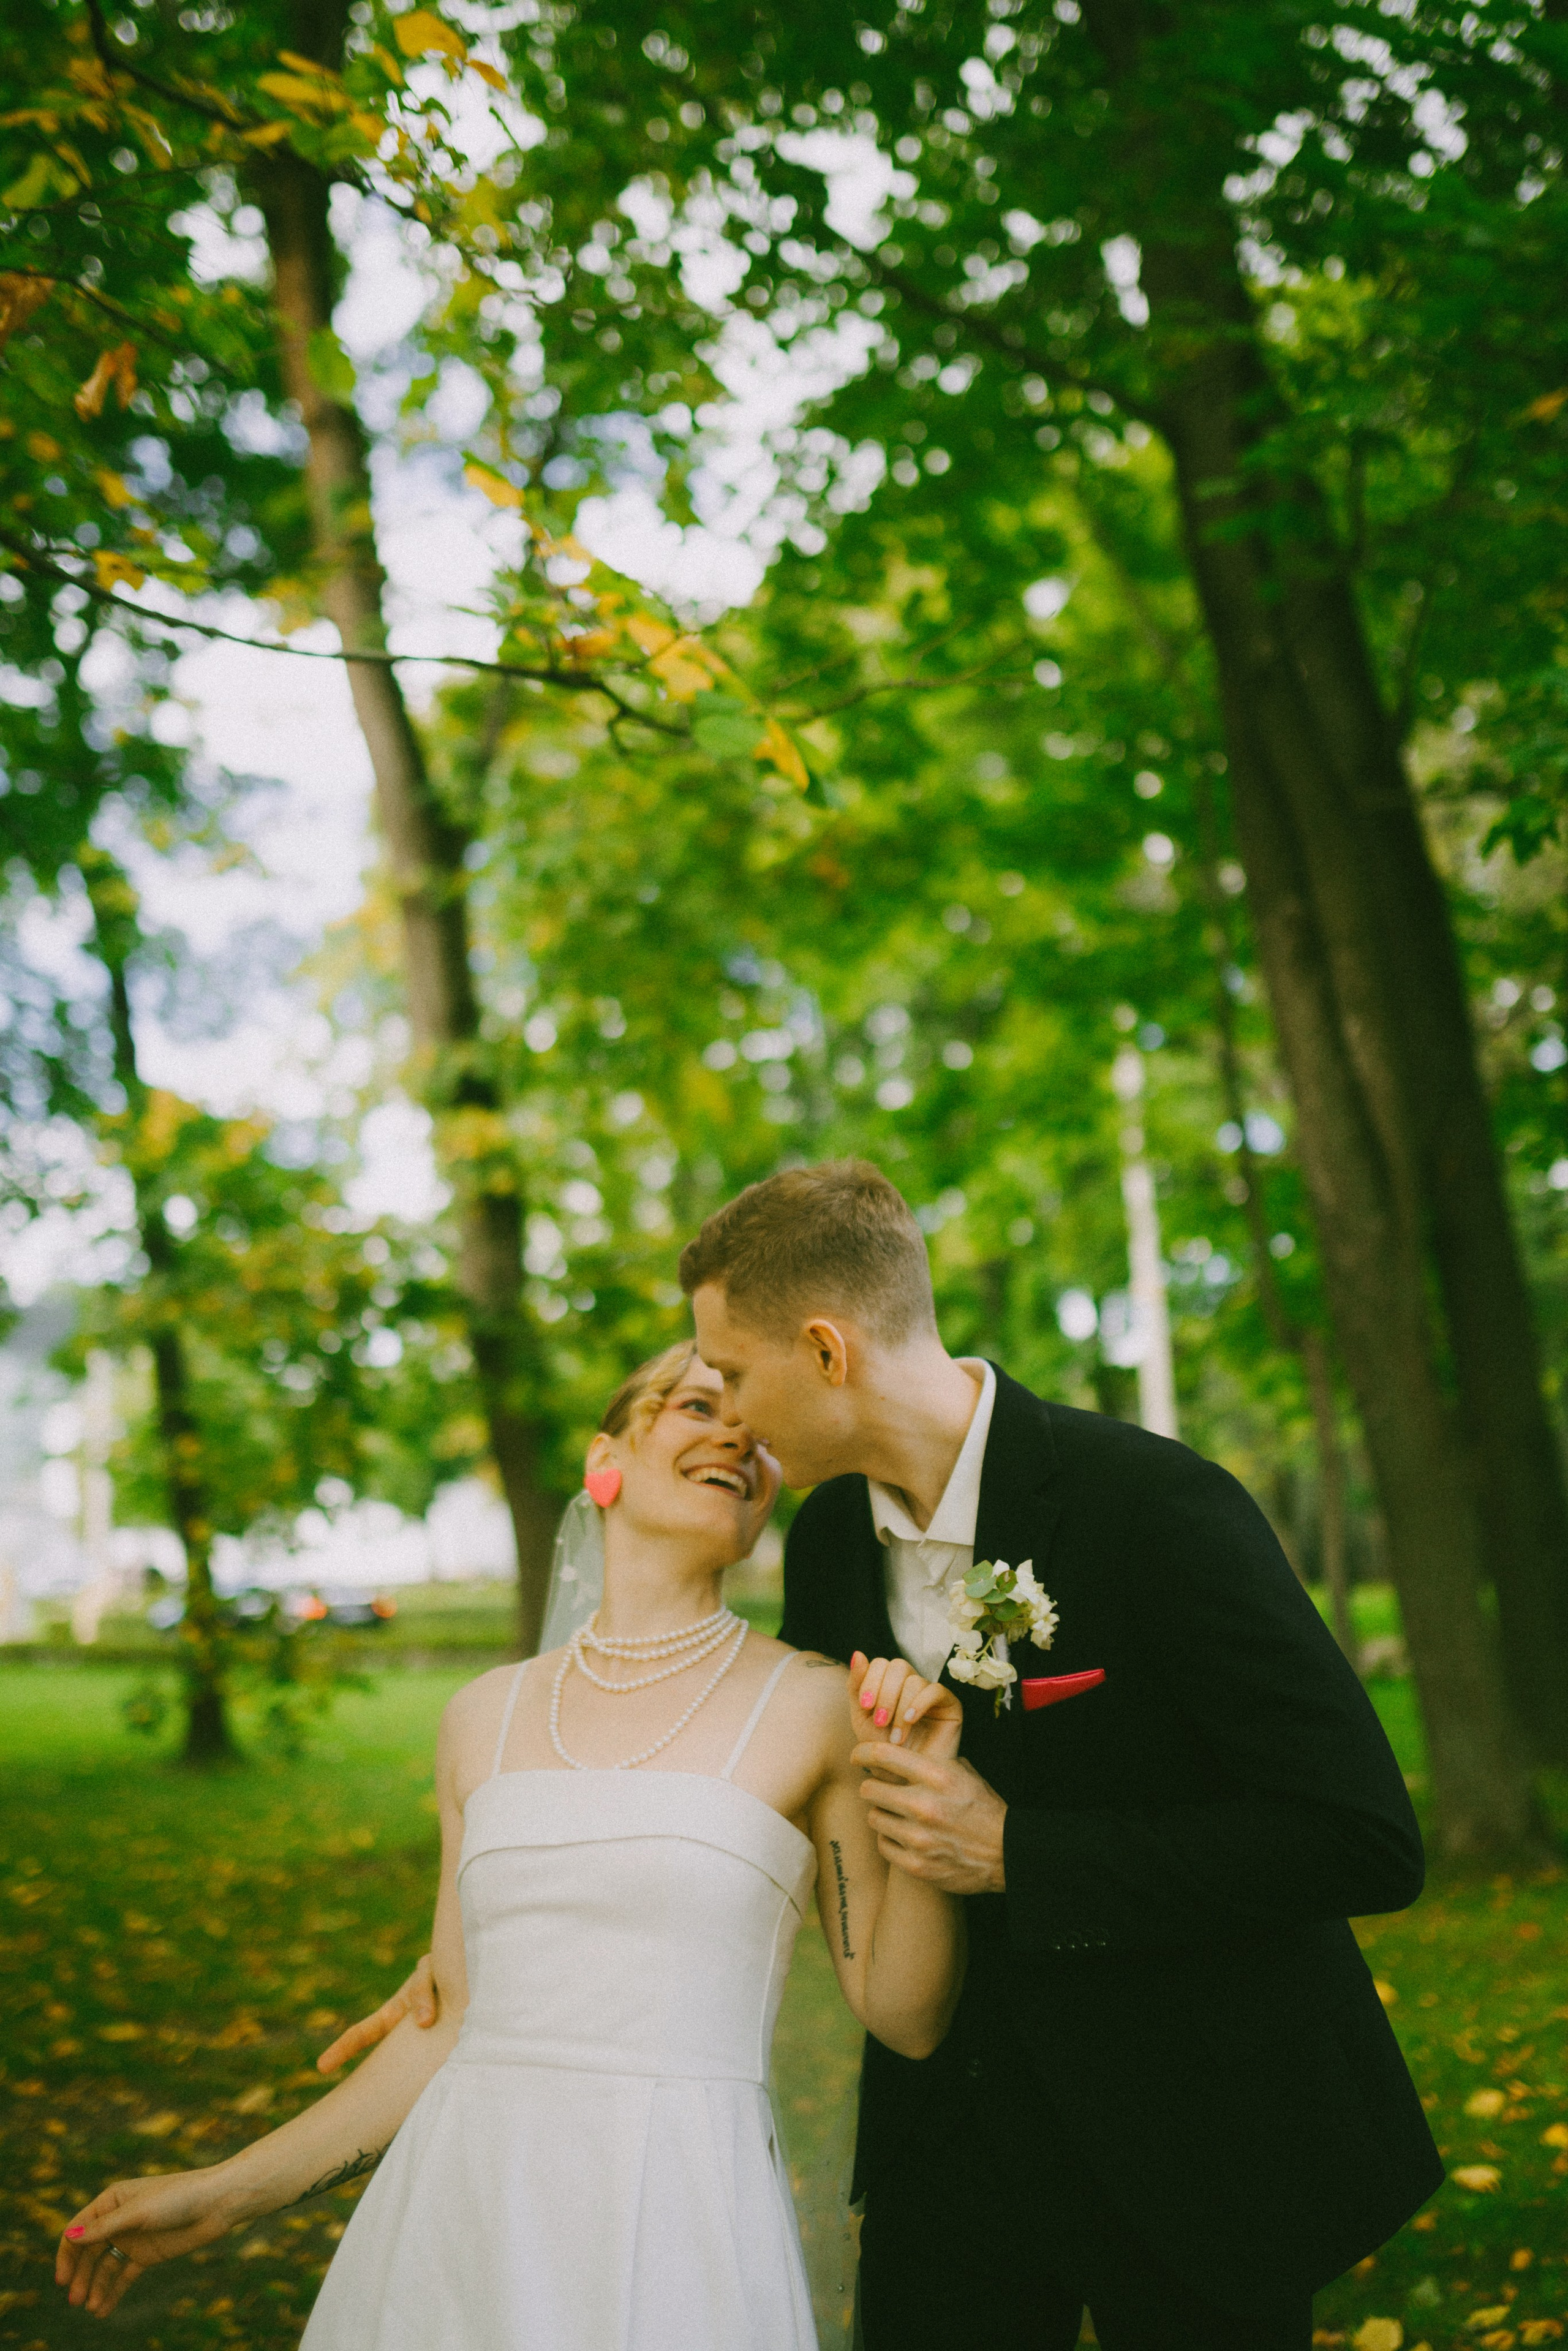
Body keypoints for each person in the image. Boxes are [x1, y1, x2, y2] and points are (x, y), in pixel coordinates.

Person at [304, 1158, 1443, 2349]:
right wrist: (496, 1945)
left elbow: (1359, 1836)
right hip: (947, 2150)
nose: (729, 1411)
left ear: (825, 1351)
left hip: (1195, 2136)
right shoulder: (831, 1544)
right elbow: (775, 1806)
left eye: (734, 1372)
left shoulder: (1153, 1506)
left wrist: (1017, 1852)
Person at [55, 1338, 965, 2348]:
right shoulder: (480, 1718)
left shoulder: (817, 1706)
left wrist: (928, 1793)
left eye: (756, 1433)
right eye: (699, 1407)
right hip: (462, 2219)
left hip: (682, 2224)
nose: (736, 1439)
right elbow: (448, 2025)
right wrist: (226, 2191)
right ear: (605, 1458)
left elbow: (907, 2014)